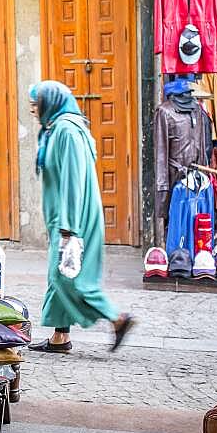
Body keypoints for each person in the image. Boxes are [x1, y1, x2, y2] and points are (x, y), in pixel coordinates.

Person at [26, 81, 134, 353]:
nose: (32, 111)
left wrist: (67, 227)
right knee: (57, 276)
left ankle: (116, 319)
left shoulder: (67, 131)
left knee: (69, 277)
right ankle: (59, 338)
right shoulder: (54, 129)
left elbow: (73, 180)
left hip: (74, 220)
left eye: (35, 105)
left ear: (50, 103)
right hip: (63, 220)